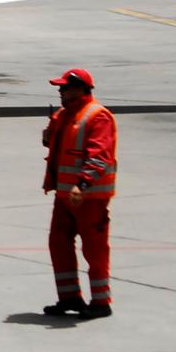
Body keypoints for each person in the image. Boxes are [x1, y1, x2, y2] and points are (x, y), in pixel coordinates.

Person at [40, 67, 118, 319]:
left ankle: (101, 302)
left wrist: (81, 185)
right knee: (58, 244)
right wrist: (48, 137)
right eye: (60, 88)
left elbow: (100, 157)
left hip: (88, 197)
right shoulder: (63, 115)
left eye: (64, 87)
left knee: (94, 249)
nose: (60, 91)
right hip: (64, 196)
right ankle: (70, 297)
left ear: (80, 89)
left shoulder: (98, 116)